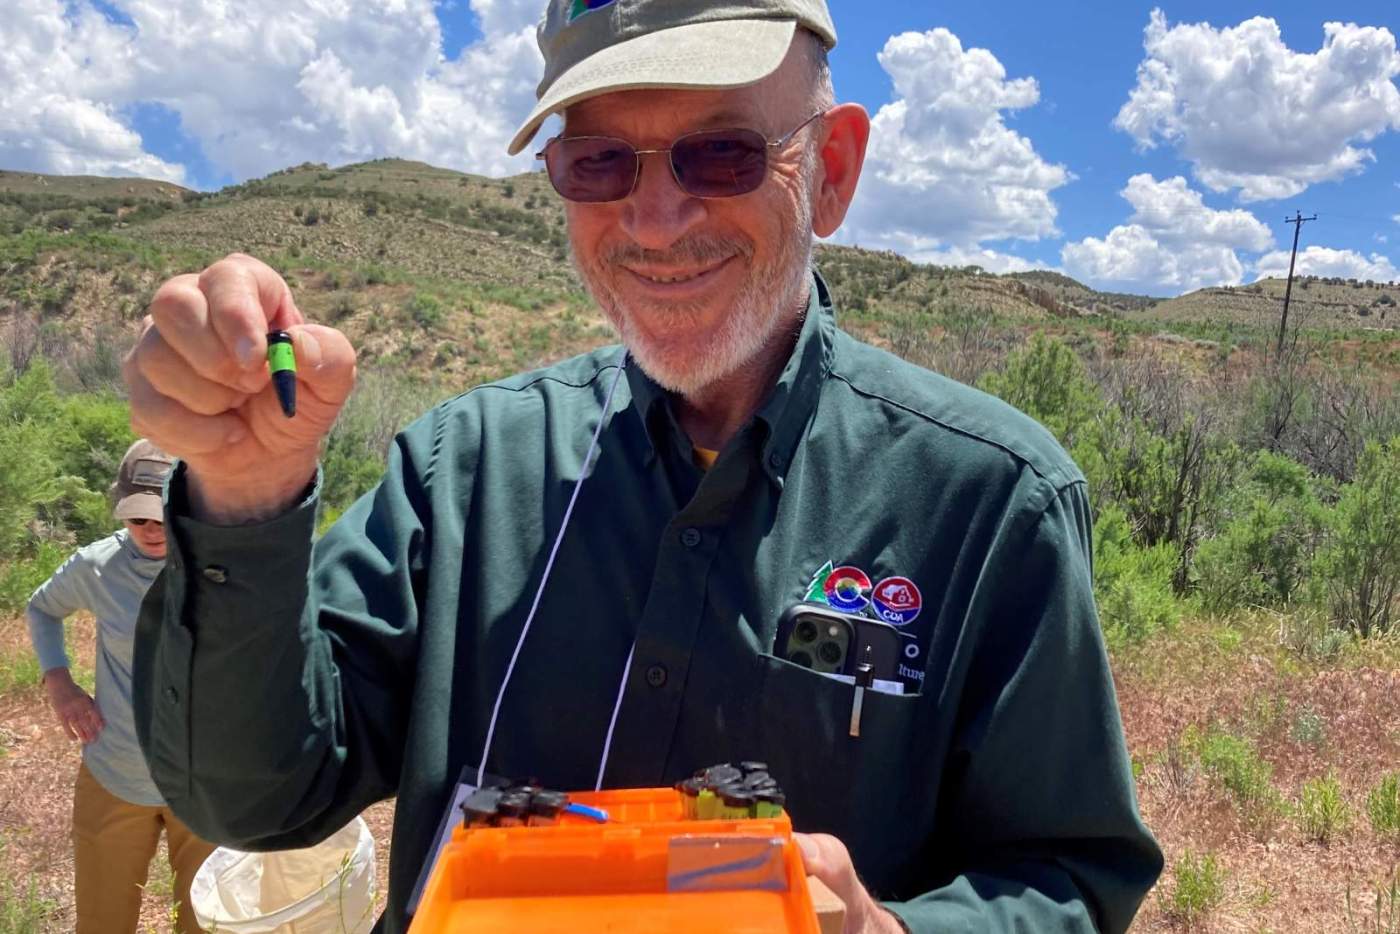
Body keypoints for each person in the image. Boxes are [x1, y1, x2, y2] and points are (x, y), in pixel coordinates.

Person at [124, 0, 1163, 931]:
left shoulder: (988, 500)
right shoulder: (463, 469)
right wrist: (247, 499)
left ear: (832, 171)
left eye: (721, 153)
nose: (655, 219)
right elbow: (255, 797)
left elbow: (1068, 872)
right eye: (599, 163)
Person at [26, 439, 215, 934]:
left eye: (161, 516)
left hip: (206, 787)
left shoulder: (221, 568)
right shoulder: (97, 566)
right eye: (138, 519)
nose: (151, 531)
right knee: (102, 922)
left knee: (210, 923)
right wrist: (60, 683)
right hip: (115, 775)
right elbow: (42, 608)